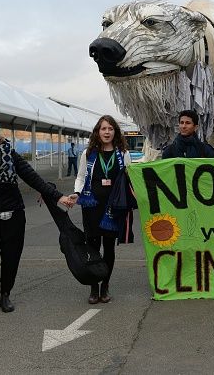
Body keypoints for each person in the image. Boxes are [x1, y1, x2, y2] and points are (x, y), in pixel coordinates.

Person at [0, 119, 73, 318]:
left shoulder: (10, 154)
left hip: (13, 217)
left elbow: (32, 177)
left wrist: (59, 196)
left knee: (11, 259)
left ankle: (5, 295)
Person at [71, 115, 132, 305]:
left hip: (113, 207)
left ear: (115, 132)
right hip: (92, 206)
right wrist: (76, 192)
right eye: (103, 129)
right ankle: (94, 287)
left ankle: (105, 285)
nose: (107, 132)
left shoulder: (123, 153)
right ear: (98, 132)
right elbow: (81, 177)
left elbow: (130, 179)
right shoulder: (88, 154)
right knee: (93, 247)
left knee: (109, 248)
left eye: (110, 129)